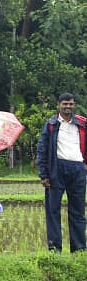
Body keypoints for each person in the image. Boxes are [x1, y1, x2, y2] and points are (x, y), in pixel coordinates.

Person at [37, 92, 87, 253]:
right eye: (65, 104)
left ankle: (79, 248)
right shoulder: (51, 124)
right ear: (59, 105)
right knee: (53, 210)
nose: (68, 107)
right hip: (56, 169)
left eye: (71, 104)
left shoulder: (82, 123)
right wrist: (43, 175)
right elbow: (42, 149)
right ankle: (54, 248)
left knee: (78, 211)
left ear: (74, 105)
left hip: (78, 169)